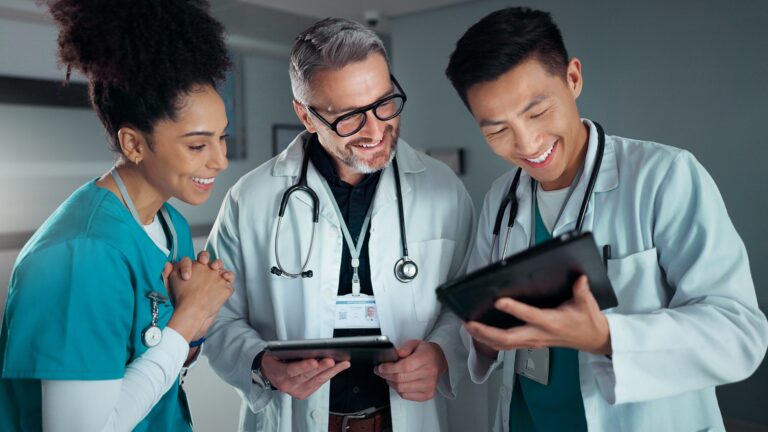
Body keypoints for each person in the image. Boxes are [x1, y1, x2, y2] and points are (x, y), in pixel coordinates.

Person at [444, 6, 768, 432]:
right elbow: (478, 320)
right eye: (497, 130)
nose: (527, 143)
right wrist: (481, 338)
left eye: (537, 112)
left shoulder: (664, 176)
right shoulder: (501, 198)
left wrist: (604, 338)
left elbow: (738, 334)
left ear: (573, 79)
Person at [204, 17, 474, 432]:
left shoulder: (442, 188)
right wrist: (262, 364)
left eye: (385, 103)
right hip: (299, 419)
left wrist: (441, 355)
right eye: (349, 117)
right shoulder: (251, 199)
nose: (375, 129)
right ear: (306, 115)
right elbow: (215, 315)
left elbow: (468, 301)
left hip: (403, 418)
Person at [0, 1, 235, 430]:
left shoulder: (171, 225)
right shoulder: (80, 256)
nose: (220, 160)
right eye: (198, 146)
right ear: (133, 144)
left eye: (222, 138)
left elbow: (159, 369)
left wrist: (198, 324)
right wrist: (186, 321)